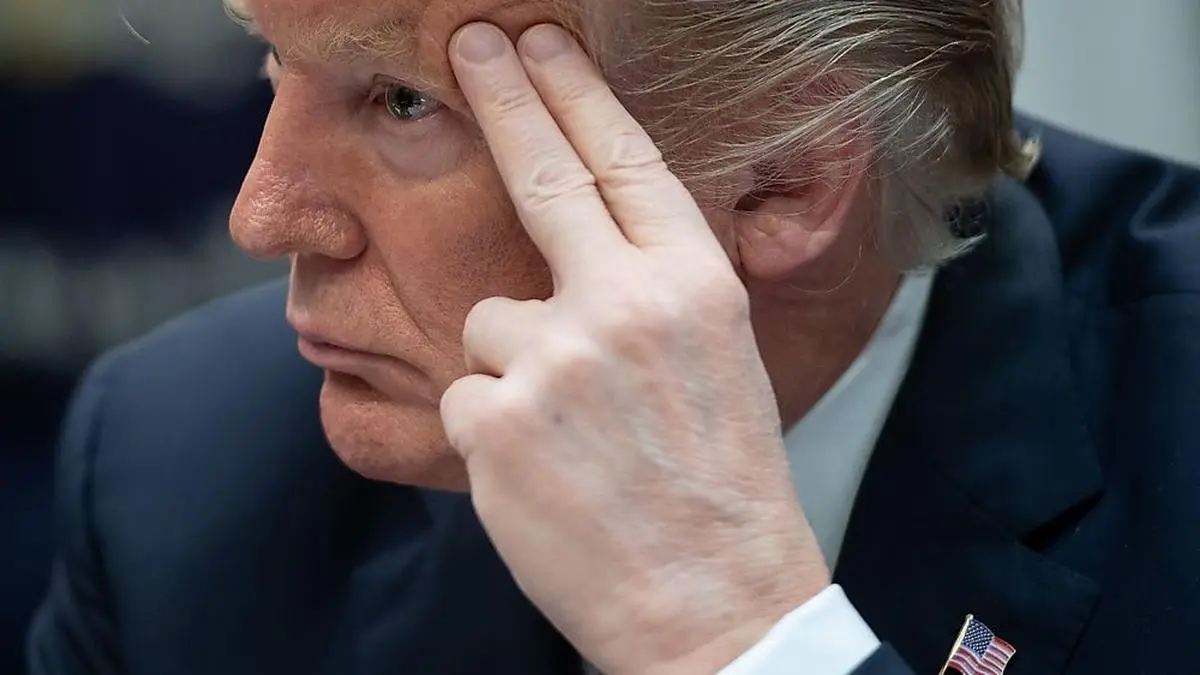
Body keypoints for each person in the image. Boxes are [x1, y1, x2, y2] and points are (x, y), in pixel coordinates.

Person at [27, 0, 1200, 672]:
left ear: (784, 180)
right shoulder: (175, 480)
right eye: (274, 65)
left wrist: (737, 632)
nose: (262, 215)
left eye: (402, 100)